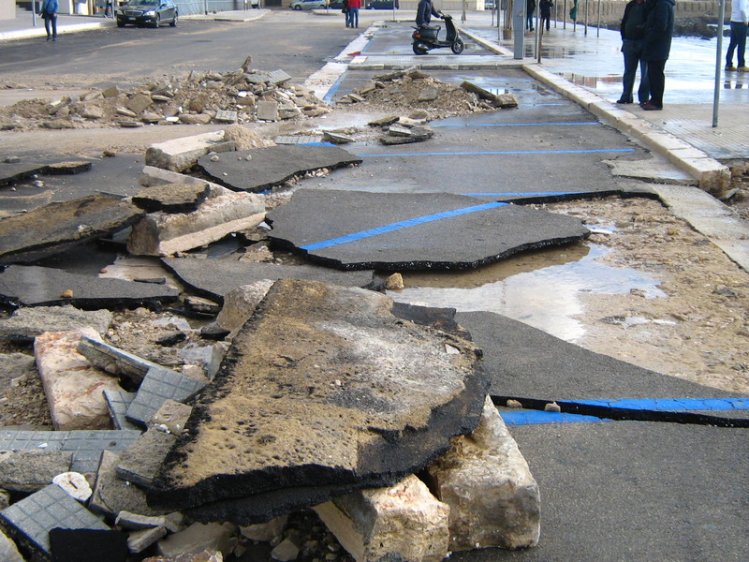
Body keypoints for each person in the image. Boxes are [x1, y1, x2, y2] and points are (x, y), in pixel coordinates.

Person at [641, 0, 674, 110]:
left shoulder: (662, 4)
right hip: (658, 47)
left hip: (658, 47)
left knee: (656, 75)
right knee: (653, 74)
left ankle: (656, 102)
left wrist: (649, 36)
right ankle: (654, 100)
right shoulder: (660, 4)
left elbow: (661, 26)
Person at [616, 0, 650, 105]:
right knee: (628, 72)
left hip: (644, 43)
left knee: (645, 73)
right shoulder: (630, 5)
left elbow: (651, 23)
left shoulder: (648, 6)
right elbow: (624, 21)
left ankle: (644, 99)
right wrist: (624, 37)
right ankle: (626, 96)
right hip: (629, 42)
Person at [725, 0, 748, 71]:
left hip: (733, 21)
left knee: (732, 44)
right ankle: (741, 65)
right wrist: (745, 20)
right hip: (741, 22)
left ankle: (728, 65)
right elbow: (742, 9)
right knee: (741, 45)